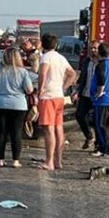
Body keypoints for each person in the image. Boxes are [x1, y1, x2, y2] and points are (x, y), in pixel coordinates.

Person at [0, 48, 33, 168]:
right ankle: (15, 160)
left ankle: (0, 159)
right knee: (16, 133)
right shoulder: (22, 72)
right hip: (18, 105)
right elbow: (29, 90)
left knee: (1, 132)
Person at [36, 33, 77, 170]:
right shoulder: (61, 58)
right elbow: (72, 73)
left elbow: (43, 73)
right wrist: (63, 87)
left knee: (49, 129)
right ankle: (58, 160)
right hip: (59, 96)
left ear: (43, 44)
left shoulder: (45, 58)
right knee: (59, 128)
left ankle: (49, 161)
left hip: (48, 96)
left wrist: (40, 89)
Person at [73, 41, 100, 150]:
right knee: (80, 116)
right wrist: (76, 90)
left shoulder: (101, 63)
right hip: (85, 93)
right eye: (91, 48)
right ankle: (89, 136)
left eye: (95, 48)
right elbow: (82, 77)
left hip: (97, 95)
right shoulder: (87, 61)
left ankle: (98, 145)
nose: (93, 50)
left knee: (97, 120)